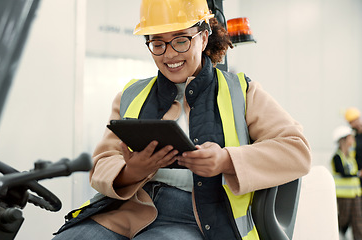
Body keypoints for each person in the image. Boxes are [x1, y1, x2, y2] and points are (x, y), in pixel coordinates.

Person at [52, 0, 311, 239]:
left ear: (203, 37)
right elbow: (102, 165)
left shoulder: (242, 91)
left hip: (199, 218)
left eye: (180, 41)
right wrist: (132, 171)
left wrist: (226, 160)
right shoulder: (130, 95)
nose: (169, 54)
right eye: (157, 43)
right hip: (127, 210)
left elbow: (296, 151)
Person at [331, 125, 362, 239]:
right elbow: (343, 173)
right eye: (350, 137)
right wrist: (358, 174)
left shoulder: (351, 156)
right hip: (344, 195)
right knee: (343, 219)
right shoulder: (337, 157)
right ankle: (336, 233)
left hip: (355, 194)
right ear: (343, 139)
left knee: (358, 220)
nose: (352, 140)